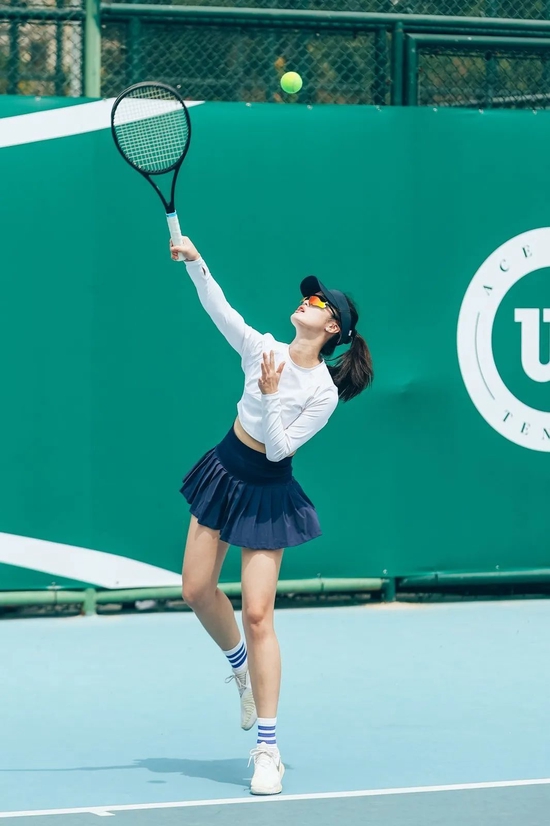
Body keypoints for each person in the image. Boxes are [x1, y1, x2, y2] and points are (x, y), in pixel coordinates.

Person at [170, 236, 373, 796]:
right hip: (224, 469)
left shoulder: (323, 393)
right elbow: (219, 308)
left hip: (267, 489)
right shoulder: (261, 346)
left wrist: (267, 394)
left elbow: (280, 450)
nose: (308, 301)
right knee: (195, 590)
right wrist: (197, 262)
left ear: (331, 327)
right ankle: (240, 670)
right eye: (309, 297)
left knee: (259, 615)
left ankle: (267, 751)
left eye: (319, 302)